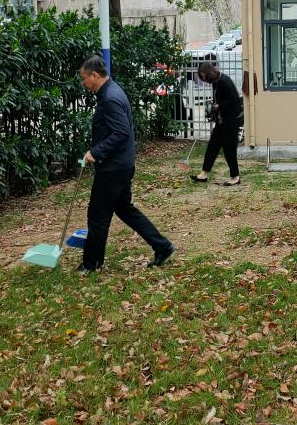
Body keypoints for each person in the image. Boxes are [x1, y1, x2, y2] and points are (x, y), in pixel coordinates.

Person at [78, 56, 175, 272]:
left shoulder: (110, 98)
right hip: (122, 164)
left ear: (95, 75)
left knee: (98, 215)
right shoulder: (112, 91)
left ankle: (91, 264)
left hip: (113, 168)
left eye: (84, 78)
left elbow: (121, 132)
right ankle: (162, 246)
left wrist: (96, 152)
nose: (83, 82)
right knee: (124, 209)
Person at [191, 61, 242, 186]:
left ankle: (235, 177)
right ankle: (203, 174)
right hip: (221, 121)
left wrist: (219, 106)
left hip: (231, 121)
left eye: (203, 76)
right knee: (212, 147)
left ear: (209, 73)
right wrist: (214, 108)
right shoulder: (216, 83)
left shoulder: (225, 82)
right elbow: (218, 99)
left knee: (229, 149)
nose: (203, 79)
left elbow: (234, 100)